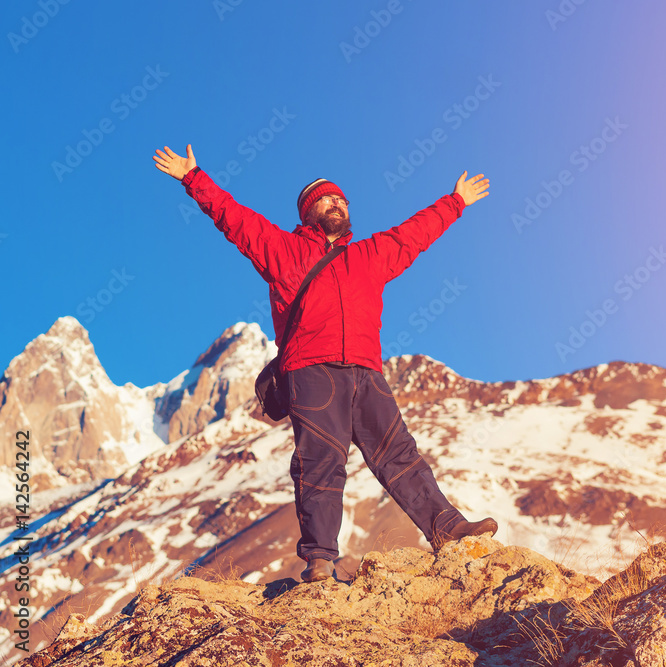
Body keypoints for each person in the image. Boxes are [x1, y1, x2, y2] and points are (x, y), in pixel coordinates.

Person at [153, 144, 497, 583]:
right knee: (319, 464)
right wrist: (193, 177)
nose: (336, 203)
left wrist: (455, 202)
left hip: (366, 371)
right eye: (325, 199)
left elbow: (413, 234)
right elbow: (234, 218)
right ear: (308, 212)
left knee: (401, 456)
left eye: (341, 199)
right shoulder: (281, 250)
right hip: (311, 372)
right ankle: (319, 561)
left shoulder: (369, 255)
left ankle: (448, 530)